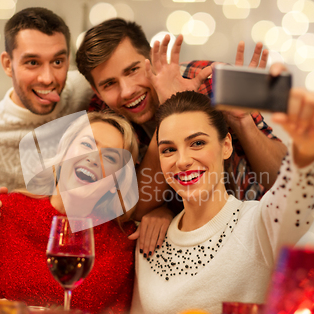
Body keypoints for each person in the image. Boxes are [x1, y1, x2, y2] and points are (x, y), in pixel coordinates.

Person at [128, 84, 314, 314]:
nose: (182, 161)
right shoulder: (150, 238)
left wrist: (307, 146)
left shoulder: (258, 223)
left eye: (197, 143)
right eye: (169, 150)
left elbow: (302, 197)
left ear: (226, 146)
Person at [75, 19, 287, 255]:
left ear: (151, 60)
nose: (127, 91)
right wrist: (170, 110)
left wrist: (243, 122)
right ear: (97, 91)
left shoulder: (209, 80)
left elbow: (284, 178)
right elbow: (131, 206)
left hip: (254, 231)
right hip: (182, 245)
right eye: (109, 84)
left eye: (133, 70)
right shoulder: (102, 116)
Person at [0, 112, 139, 314]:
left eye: (110, 157)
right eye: (86, 144)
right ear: (63, 154)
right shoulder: (0, 212)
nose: (94, 158)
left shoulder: (123, 243)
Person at [0, 7, 93, 231]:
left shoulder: (85, 89)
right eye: (32, 63)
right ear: (7, 64)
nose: (48, 78)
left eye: (58, 62)